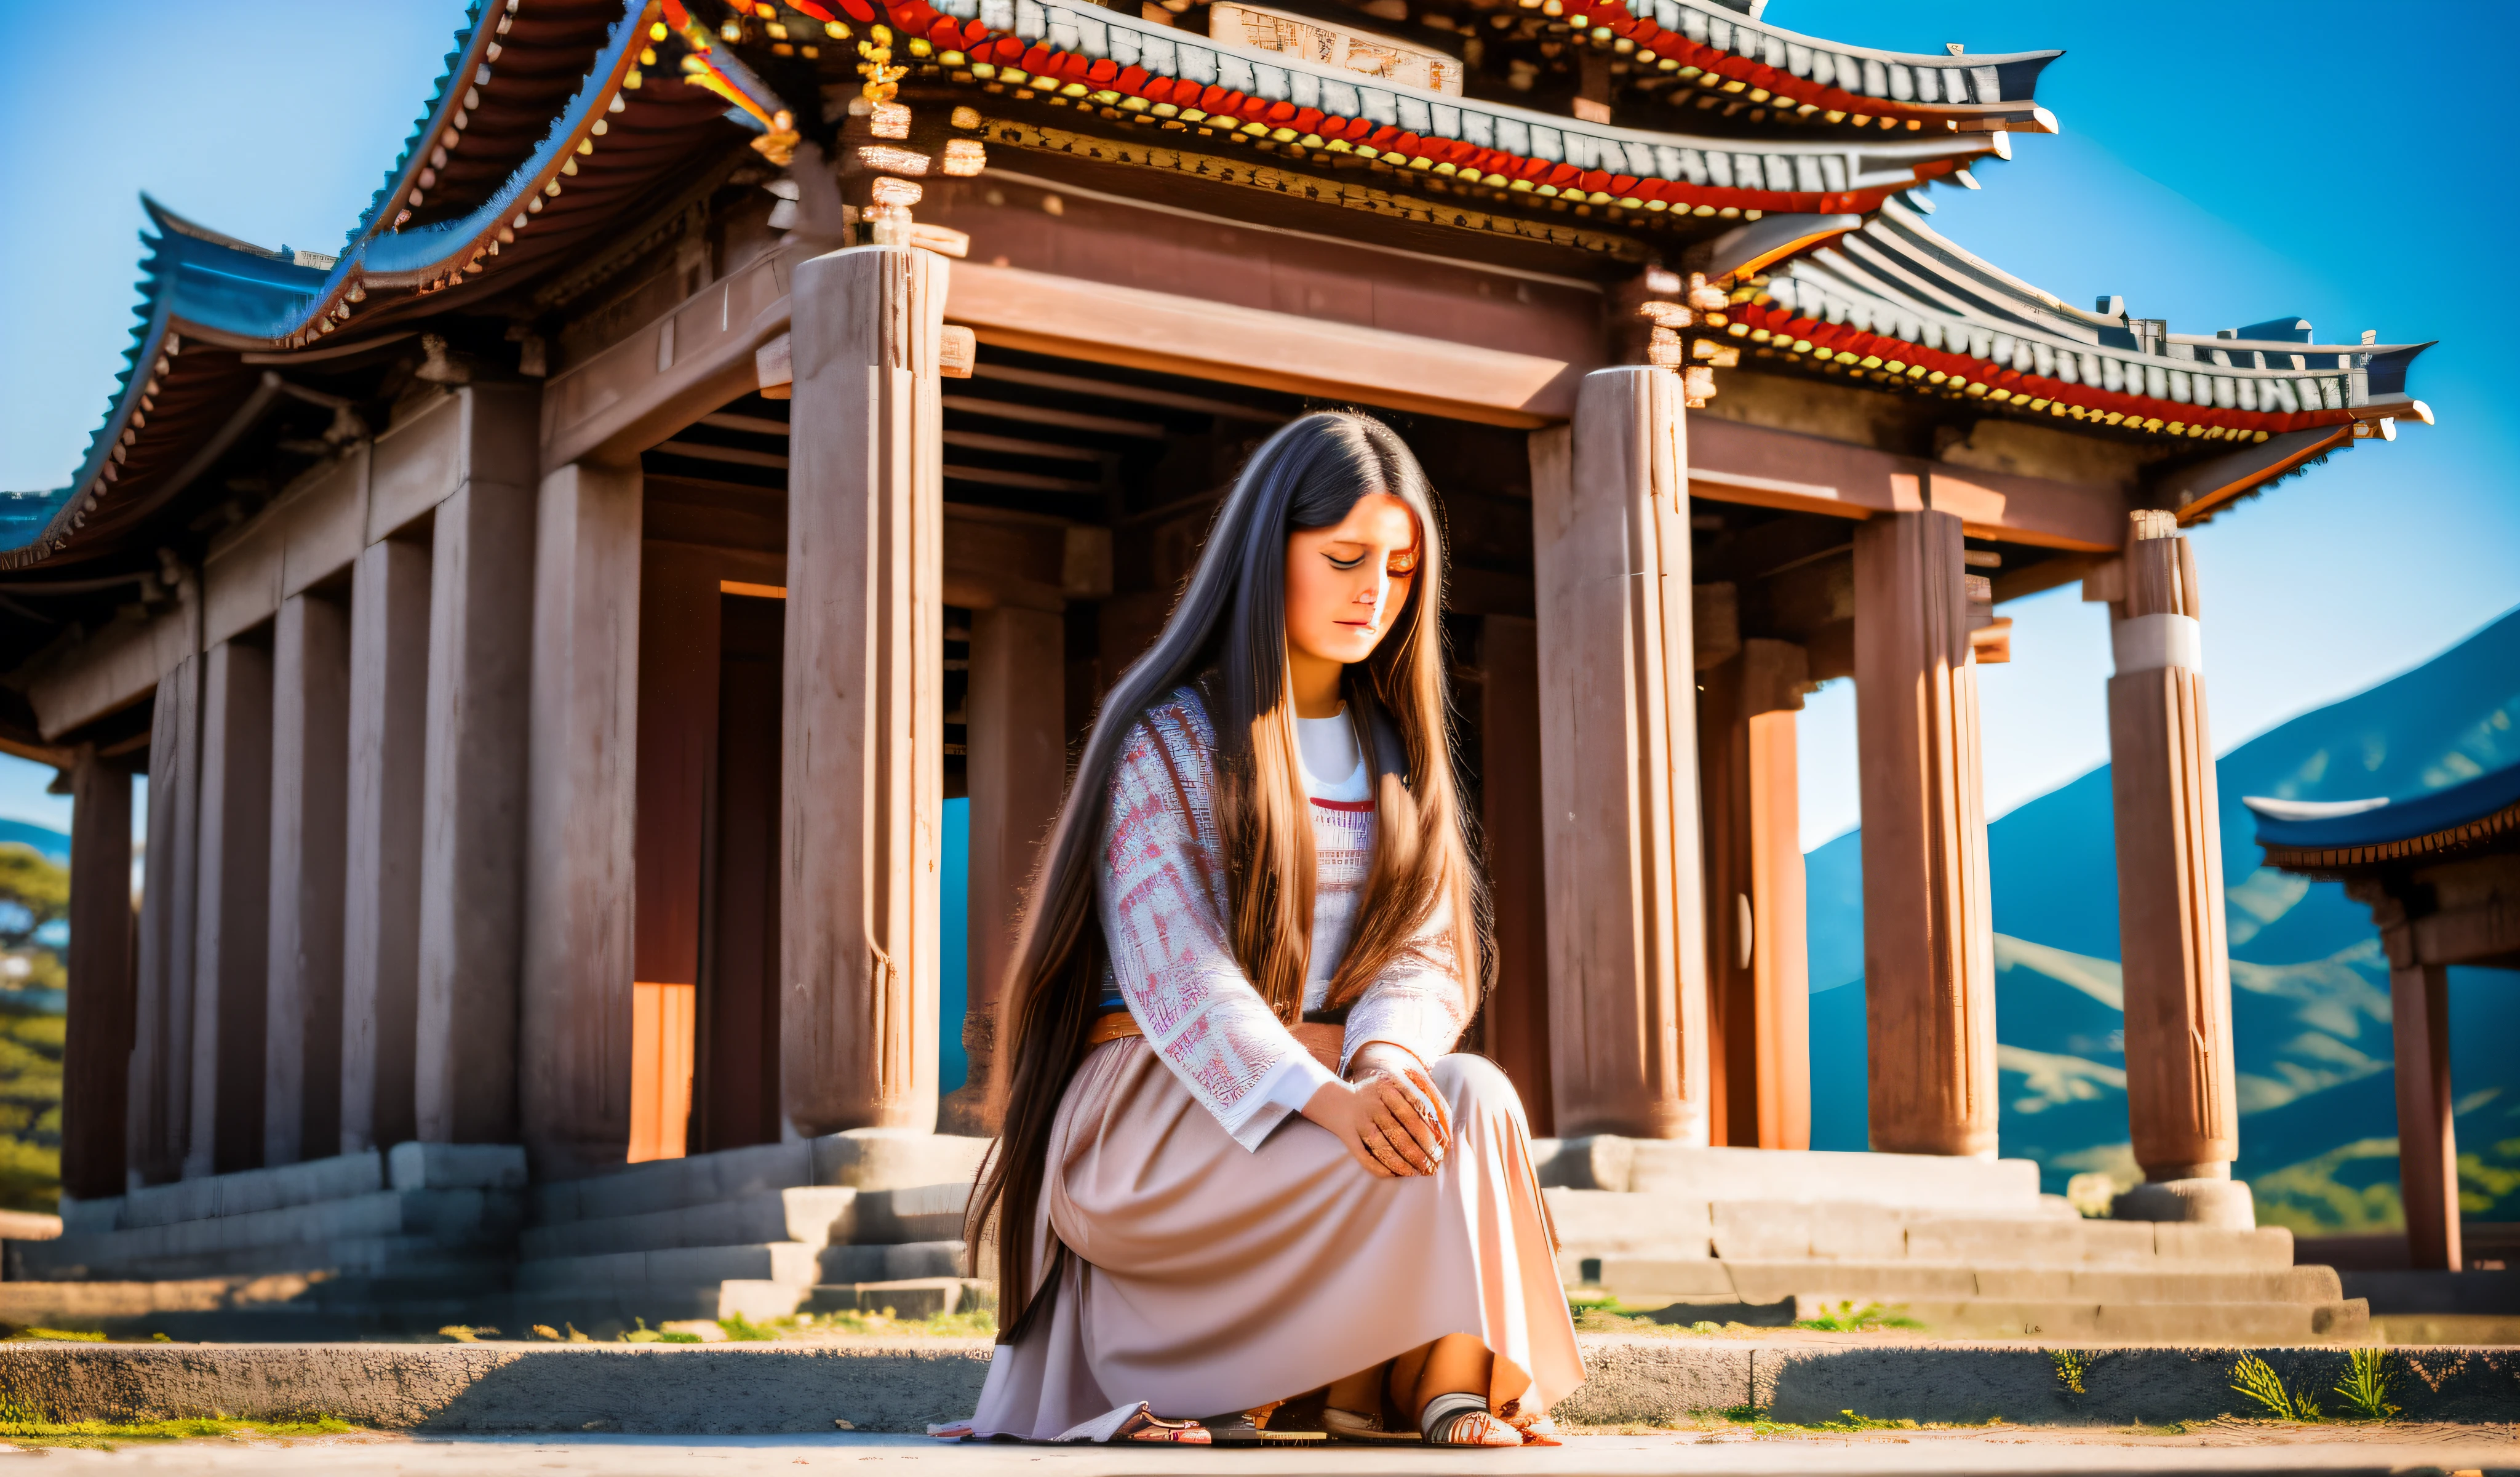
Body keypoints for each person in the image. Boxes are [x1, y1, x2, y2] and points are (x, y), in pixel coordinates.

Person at [955, 410, 1582, 1447]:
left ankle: (1442, 1385)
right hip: (1160, 1117)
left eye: (1398, 566)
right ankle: (1237, 1372)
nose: (1373, 591)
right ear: (1266, 552)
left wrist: (1382, 1070)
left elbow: (1424, 953)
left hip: (1335, 1095)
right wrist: (1329, 1102)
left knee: (1471, 1096)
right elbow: (1180, 974)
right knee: (1423, 1122)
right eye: (1343, 557)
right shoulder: (1165, 738)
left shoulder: (1401, 755)